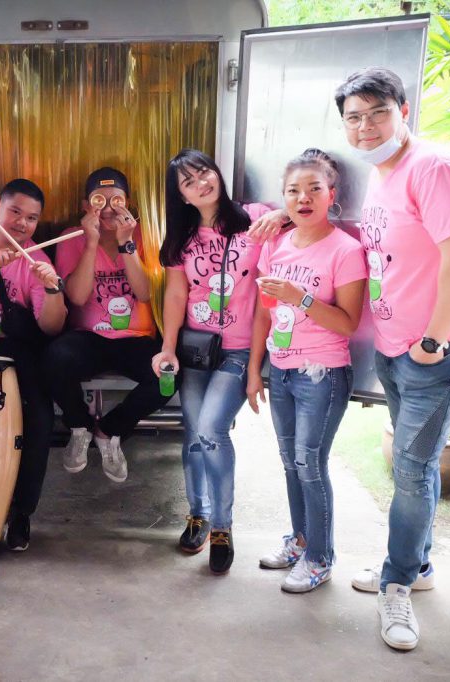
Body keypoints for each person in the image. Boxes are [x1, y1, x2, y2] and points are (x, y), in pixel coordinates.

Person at [252, 68, 450, 651]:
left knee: (411, 468)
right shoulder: (384, 177)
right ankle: (418, 564)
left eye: (377, 112)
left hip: (435, 351)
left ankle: (397, 583)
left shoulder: (435, 168)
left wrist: (433, 341)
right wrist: (283, 215)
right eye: (353, 117)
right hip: (393, 349)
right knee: (416, 467)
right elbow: (348, 230)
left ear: (403, 110)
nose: (365, 126)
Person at [248, 148, 366, 593]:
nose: (304, 198)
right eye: (293, 191)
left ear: (331, 195)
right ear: (283, 199)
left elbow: (348, 323)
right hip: (280, 371)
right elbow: (263, 313)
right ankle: (300, 541)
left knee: (309, 464)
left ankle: (320, 557)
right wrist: (255, 370)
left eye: (314, 189)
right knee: (290, 462)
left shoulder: (346, 250)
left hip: (323, 374)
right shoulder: (275, 245)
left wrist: (301, 297)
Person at [150, 149, 274, 575]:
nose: (201, 183)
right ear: (181, 196)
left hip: (238, 350)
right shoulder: (182, 239)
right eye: (188, 182)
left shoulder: (255, 218)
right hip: (196, 350)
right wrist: (168, 347)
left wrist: (283, 216)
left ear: (217, 173)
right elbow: (176, 294)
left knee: (211, 429)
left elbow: (298, 220)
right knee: (192, 433)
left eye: (203, 172)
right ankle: (198, 515)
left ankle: (222, 526)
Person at [44, 167, 170, 483]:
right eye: (100, 201)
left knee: (168, 377)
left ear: (128, 203)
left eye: (118, 200)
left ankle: (109, 430)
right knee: (54, 358)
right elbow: (77, 296)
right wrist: (91, 243)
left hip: (136, 339)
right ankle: (80, 426)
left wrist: (127, 243)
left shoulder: (144, 235)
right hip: (89, 337)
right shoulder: (72, 237)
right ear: (87, 206)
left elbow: (144, 292)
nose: (110, 209)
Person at [0, 178, 67, 551]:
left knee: (39, 417)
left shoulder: (37, 258)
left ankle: (21, 512)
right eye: (15, 212)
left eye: (31, 218)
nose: (22, 223)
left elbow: (50, 328)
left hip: (19, 350)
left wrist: (52, 289)